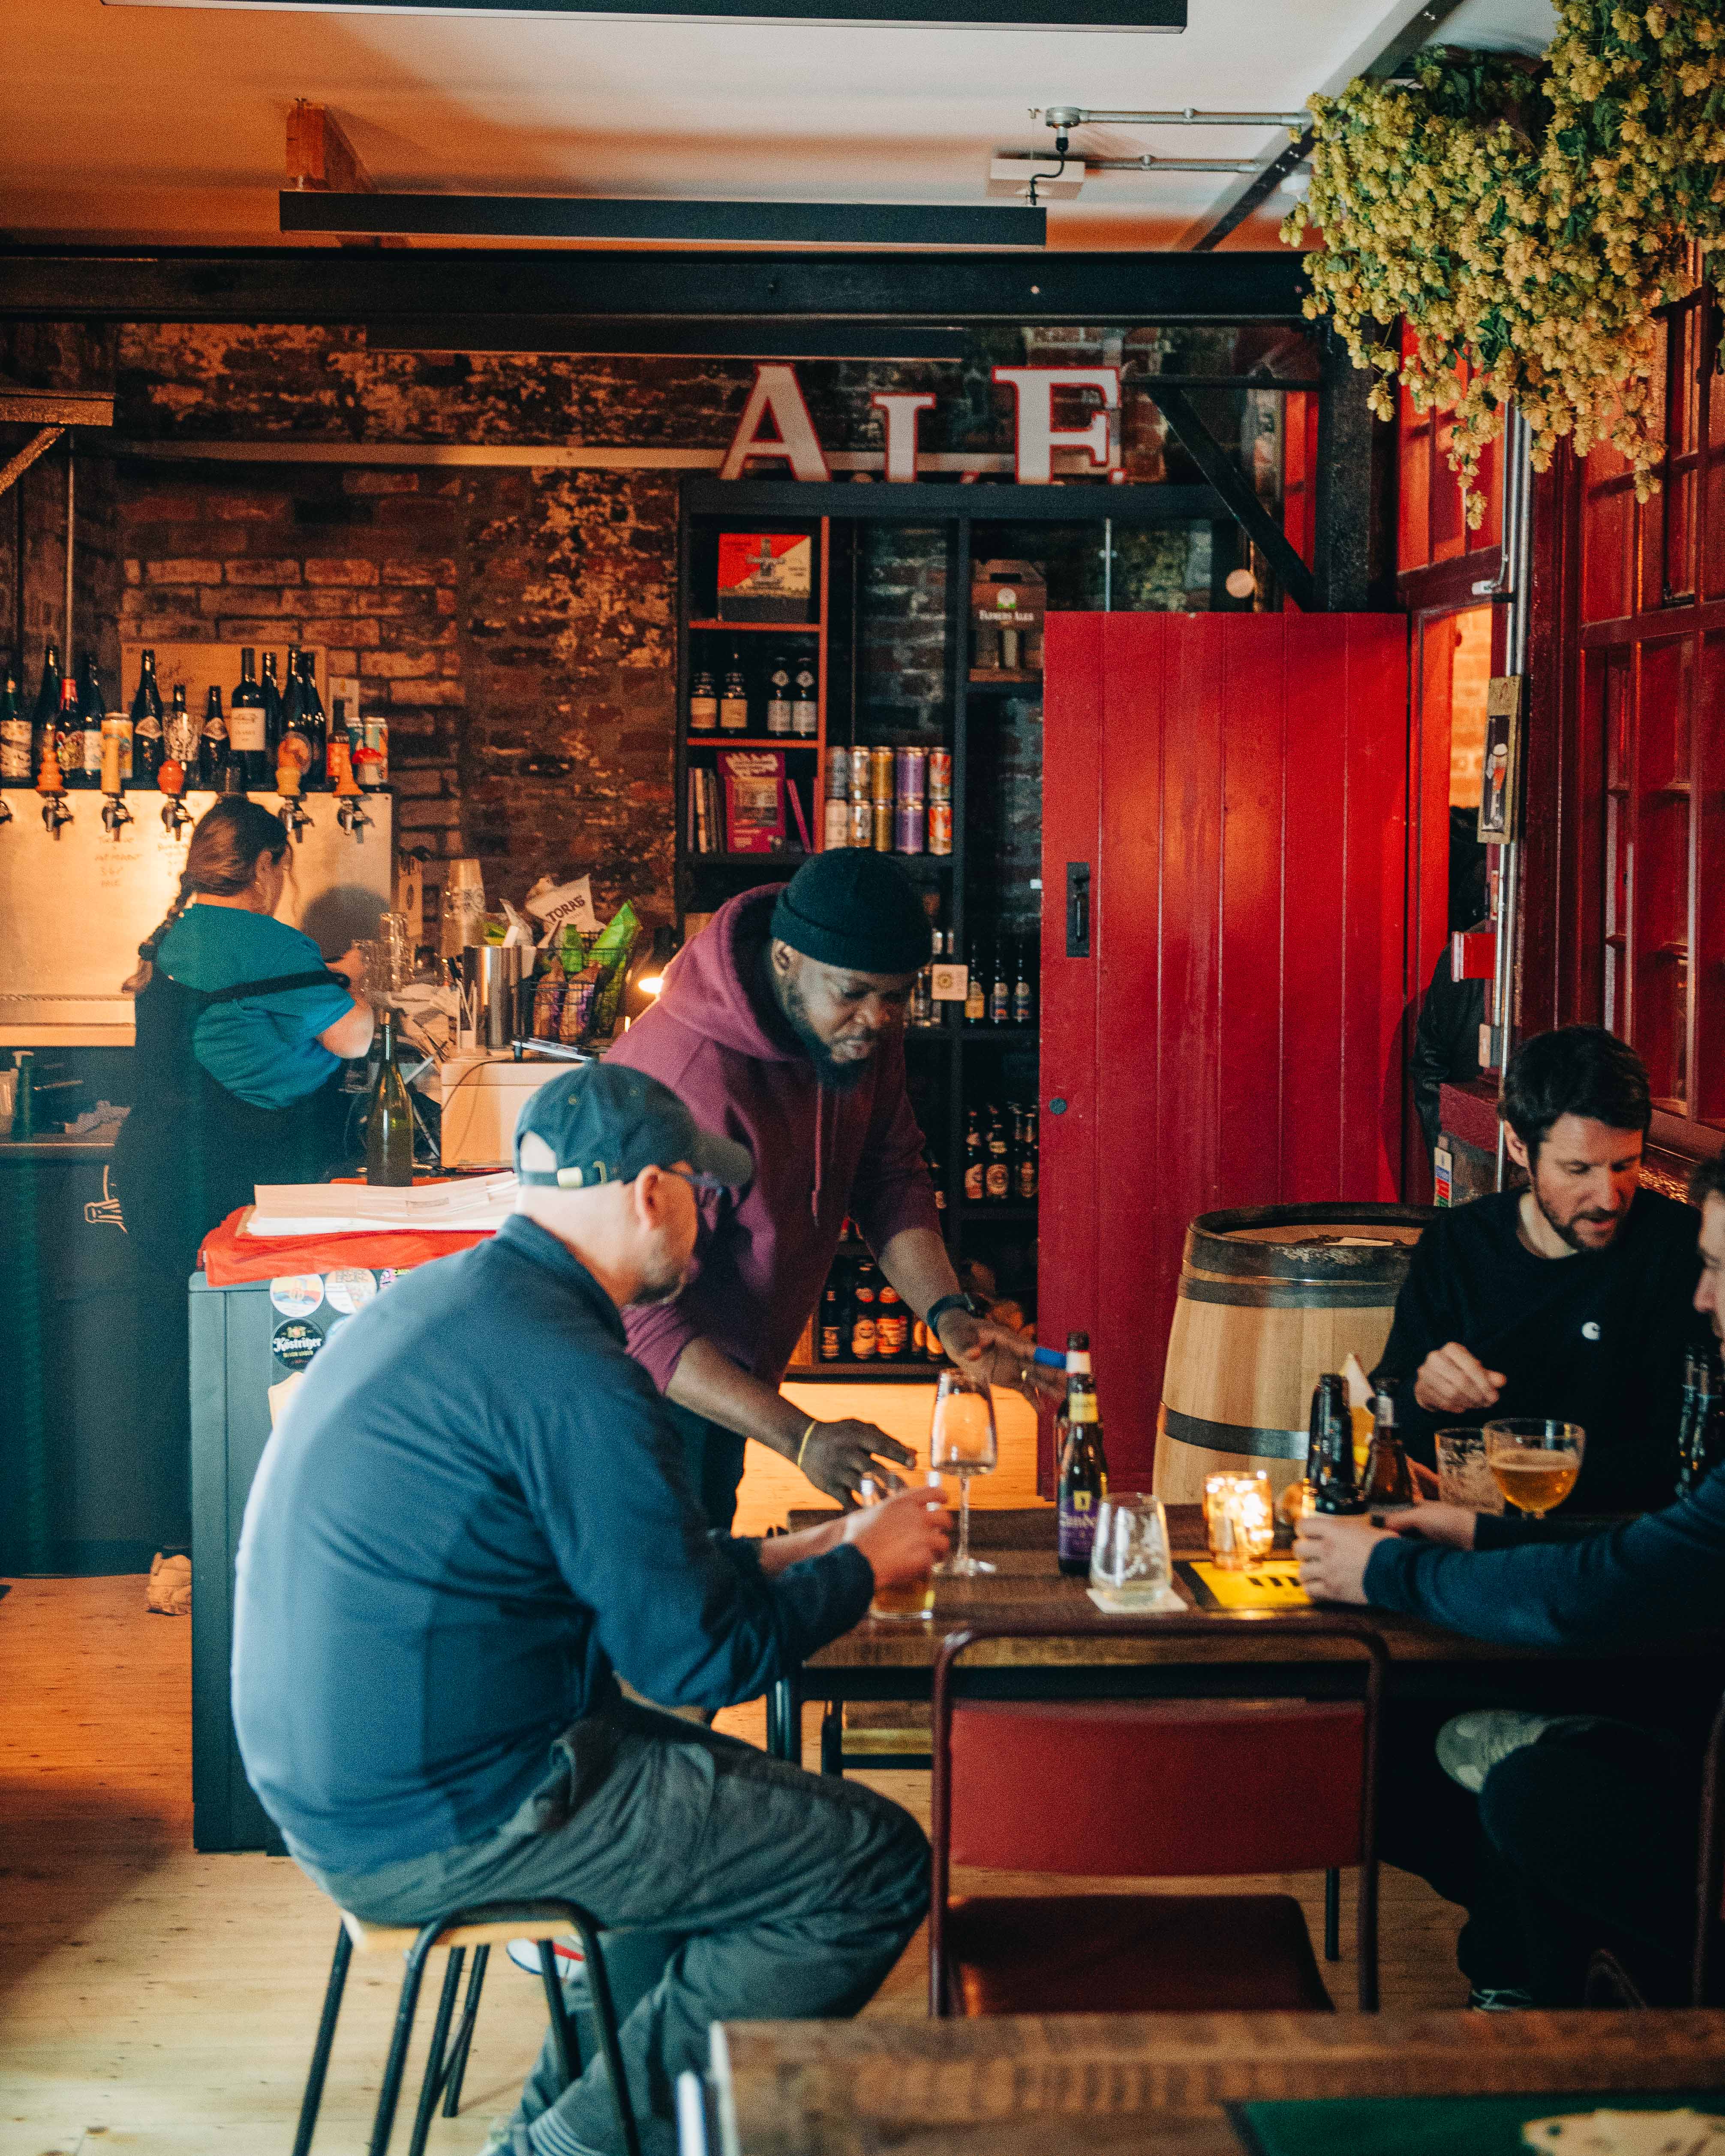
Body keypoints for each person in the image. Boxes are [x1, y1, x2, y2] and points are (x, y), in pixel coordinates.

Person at [231, 1062, 948, 2156]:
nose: (709, 1226)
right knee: (871, 1861)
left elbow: (623, 1568)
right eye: (700, 1196)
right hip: (446, 1813)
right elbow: (697, 1663)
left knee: (709, 1828)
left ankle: (565, 2123)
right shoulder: (578, 1370)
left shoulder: (466, 1300)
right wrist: (864, 1567)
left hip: (348, 1782)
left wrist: (788, 1550)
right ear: (649, 1192)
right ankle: (574, 2145)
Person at [1297, 1154, 1725, 2007]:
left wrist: (1386, 1568)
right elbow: (1653, 1558)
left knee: (1529, 1788)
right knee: (1406, 1732)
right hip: (1678, 1685)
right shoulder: (1465, 1242)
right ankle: (1530, 1969)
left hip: (1694, 1751)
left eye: (1717, 1269)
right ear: (1520, 1148)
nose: (1701, 1297)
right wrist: (1478, 1531)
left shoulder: (1654, 1259)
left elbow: (1594, 1589)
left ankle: (1542, 1982)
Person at [607, 850, 1060, 1522]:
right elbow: (635, 1314)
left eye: (897, 996)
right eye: (854, 992)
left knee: (706, 1571)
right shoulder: (685, 1077)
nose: (878, 1019)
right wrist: (803, 1436)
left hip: (737, 1363)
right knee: (663, 1593)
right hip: (634, 1391)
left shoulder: (855, 1032)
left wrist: (950, 1314)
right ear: (786, 958)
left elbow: (888, 1173)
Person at [114, 797, 373, 1542]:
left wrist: (319, 977)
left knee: (174, 1354)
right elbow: (354, 1041)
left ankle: (174, 1545)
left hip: (155, 1173)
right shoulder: (272, 943)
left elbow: (236, 1006)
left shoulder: (174, 936)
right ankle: (262, 1536)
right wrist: (349, 986)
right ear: (266, 867)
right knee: (266, 1352)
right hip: (232, 1177)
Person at [1375, 1024, 1706, 1512]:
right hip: (1471, 1542)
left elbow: (1684, 1455)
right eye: (1579, 1170)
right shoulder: (1460, 1243)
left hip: (1621, 1547)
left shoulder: (1680, 1248)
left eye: (1625, 1165)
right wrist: (1425, 1396)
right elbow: (1392, 1421)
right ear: (1516, 1144)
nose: (1608, 1197)